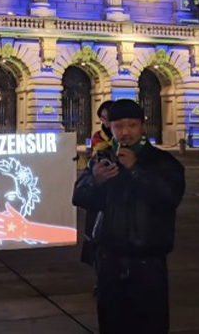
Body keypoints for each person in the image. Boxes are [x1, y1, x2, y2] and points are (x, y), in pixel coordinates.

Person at [72, 99, 186, 334]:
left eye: (132, 125)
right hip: (110, 262)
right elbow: (79, 197)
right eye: (118, 126)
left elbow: (169, 196)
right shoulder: (102, 159)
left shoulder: (162, 161)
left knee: (150, 325)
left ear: (143, 125)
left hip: (147, 262)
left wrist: (136, 170)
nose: (125, 132)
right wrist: (96, 181)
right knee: (112, 325)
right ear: (110, 127)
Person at [81, 101, 114, 280]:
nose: (106, 121)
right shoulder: (98, 137)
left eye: (109, 118)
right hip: (100, 195)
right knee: (97, 240)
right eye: (103, 118)